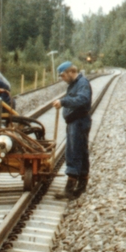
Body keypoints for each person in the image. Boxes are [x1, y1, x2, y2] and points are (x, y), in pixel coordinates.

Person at [51, 61, 92, 199]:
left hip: (79, 122)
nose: (62, 79)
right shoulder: (74, 84)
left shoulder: (82, 83)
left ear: (70, 72)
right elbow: (73, 98)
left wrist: (63, 102)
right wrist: (64, 101)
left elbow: (83, 99)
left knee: (74, 152)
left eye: (63, 75)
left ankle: (70, 189)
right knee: (79, 151)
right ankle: (81, 187)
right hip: (74, 122)